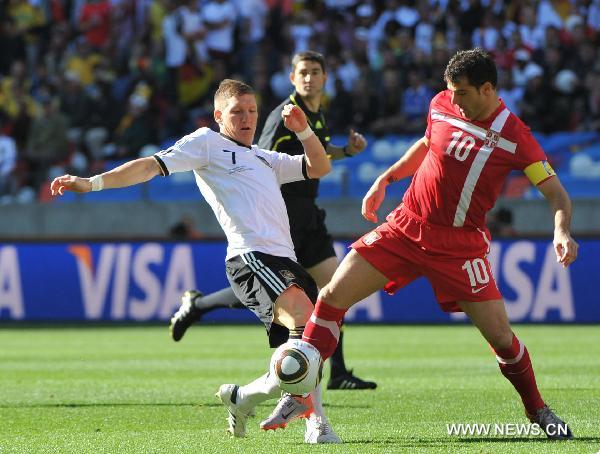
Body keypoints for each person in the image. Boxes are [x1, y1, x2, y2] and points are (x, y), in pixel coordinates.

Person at [271, 48, 578, 440]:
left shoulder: (516, 137)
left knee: (501, 338)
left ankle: (538, 410)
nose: (454, 99)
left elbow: (557, 195)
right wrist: (386, 178)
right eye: (450, 91)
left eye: (463, 93)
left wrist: (562, 231)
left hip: (460, 246)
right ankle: (302, 394)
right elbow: (428, 142)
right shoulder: (442, 103)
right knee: (331, 296)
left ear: (487, 89)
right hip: (406, 227)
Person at [50, 79, 341, 444]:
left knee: (312, 338)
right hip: (251, 256)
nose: (247, 118)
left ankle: (245, 397)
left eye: (252, 111)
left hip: (285, 258)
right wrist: (92, 183)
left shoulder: (265, 158)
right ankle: (310, 416)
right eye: (237, 112)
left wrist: (304, 132)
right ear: (219, 115)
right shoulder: (207, 143)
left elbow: (319, 168)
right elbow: (149, 167)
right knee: (303, 317)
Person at [169, 50, 377, 391]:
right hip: (285, 213)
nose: (309, 78)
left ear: (326, 78)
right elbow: (257, 159)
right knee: (300, 293)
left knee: (331, 293)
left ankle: (332, 372)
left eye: (315, 72)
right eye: (302, 72)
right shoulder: (285, 116)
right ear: (292, 79)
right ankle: (318, 375)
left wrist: (346, 152)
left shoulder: (315, 115)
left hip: (310, 213)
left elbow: (316, 155)